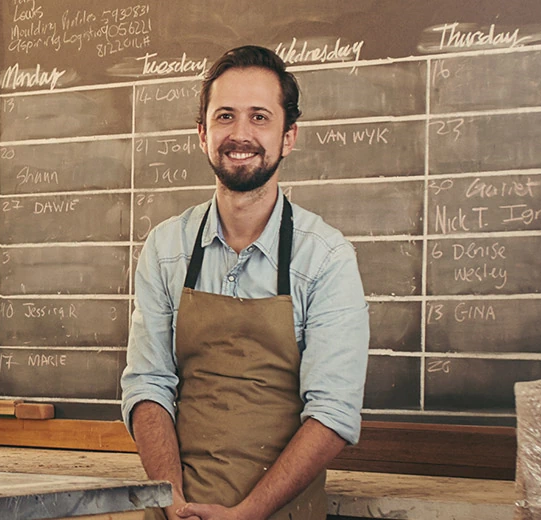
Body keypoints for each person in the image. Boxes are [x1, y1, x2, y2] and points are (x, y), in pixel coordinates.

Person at [119, 45, 369, 520]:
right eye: (225, 116)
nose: (240, 134)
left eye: (259, 117)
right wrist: (171, 499)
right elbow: (148, 386)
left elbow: (333, 413)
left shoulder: (326, 257)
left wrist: (249, 513)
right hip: (176, 513)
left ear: (288, 136)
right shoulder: (166, 248)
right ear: (202, 133)